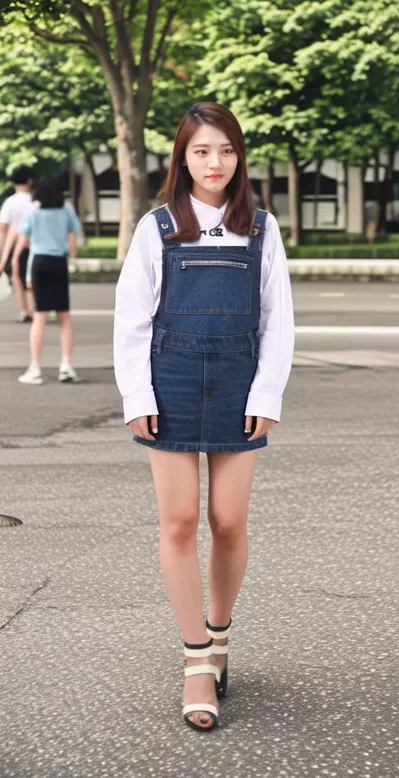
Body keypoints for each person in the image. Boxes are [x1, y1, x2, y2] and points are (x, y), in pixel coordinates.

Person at [114, 102, 294, 732]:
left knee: (228, 520)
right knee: (180, 520)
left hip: (240, 384)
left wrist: (266, 395)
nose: (214, 163)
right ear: (182, 158)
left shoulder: (262, 229)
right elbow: (132, 321)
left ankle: (220, 637)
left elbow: (278, 321)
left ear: (238, 156)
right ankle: (196, 661)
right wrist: (138, 397)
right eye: (200, 151)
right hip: (173, 382)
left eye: (224, 150)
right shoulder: (158, 227)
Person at [13, 175, 82, 385]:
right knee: (64, 316)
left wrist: (25, 273)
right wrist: (72, 258)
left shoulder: (33, 211)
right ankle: (66, 366)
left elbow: (25, 241)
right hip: (58, 264)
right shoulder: (67, 210)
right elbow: (72, 240)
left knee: (40, 316)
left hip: (40, 263)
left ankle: (35, 367)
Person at [0, 165, 34, 322]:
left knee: (17, 278)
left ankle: (24, 311)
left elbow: (3, 227)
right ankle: (35, 309)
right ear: (29, 181)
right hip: (34, 246)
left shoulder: (10, 202)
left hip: (14, 248)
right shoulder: (35, 201)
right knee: (31, 280)